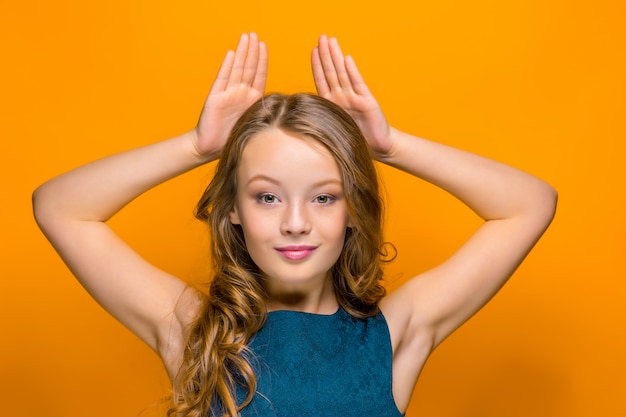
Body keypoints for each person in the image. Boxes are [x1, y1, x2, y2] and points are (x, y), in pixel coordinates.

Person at [32, 33, 557, 417]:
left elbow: (530, 203)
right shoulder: (194, 332)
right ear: (232, 207)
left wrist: (390, 146)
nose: (296, 223)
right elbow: (59, 207)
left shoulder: (393, 335)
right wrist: (198, 147)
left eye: (325, 197)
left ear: (352, 209)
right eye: (267, 197)